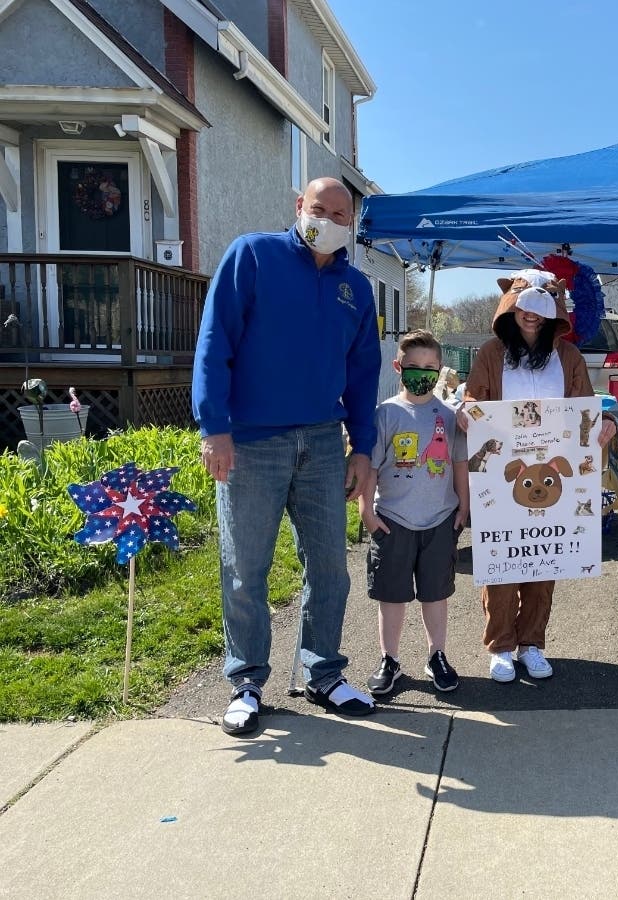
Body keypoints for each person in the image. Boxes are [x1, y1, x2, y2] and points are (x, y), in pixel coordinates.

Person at [193, 177, 382, 735]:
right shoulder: (252, 255)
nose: (327, 218)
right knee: (246, 569)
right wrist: (214, 427)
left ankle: (323, 672)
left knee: (329, 568)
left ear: (351, 223)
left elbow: (363, 371)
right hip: (250, 440)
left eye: (339, 213)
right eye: (317, 208)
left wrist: (363, 447)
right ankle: (246, 682)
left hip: (324, 441)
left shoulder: (356, 287)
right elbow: (214, 342)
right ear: (299, 208)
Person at [461, 270, 616, 682]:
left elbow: (586, 405)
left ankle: (532, 643)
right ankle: (500, 645)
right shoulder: (492, 353)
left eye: (542, 308)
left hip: (553, 475)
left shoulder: (568, 357)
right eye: (525, 306)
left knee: (544, 560)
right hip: (503, 475)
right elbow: (474, 397)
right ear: (511, 308)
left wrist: (605, 423)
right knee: (501, 561)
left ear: (555, 314)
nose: (532, 316)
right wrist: (469, 413)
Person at [358, 330, 468, 695]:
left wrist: (464, 505)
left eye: (430, 368)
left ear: (440, 372)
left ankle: (437, 653)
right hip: (393, 521)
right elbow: (371, 468)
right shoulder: (386, 413)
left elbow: (458, 464)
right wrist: (366, 511)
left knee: (436, 594)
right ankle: (389, 658)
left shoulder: (451, 416)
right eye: (413, 367)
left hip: (439, 520)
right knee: (392, 595)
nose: (422, 374)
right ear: (398, 367)